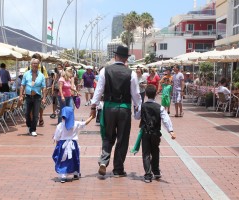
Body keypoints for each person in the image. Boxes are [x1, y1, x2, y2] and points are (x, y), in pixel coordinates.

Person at [90, 45, 142, 177]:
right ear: (126, 59)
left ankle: (103, 161)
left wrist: (93, 106)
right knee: (122, 139)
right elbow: (136, 95)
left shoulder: (104, 71)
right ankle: (118, 169)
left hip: (108, 107)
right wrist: (139, 108)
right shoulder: (132, 73)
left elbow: (99, 90)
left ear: (115, 56)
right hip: (124, 108)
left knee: (108, 136)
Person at [137, 85, 176, 183]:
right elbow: (166, 119)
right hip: (155, 133)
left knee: (146, 153)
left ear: (145, 94)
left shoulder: (143, 106)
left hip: (145, 133)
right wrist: (171, 131)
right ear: (156, 94)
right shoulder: (160, 107)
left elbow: (136, 117)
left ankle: (148, 175)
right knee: (155, 151)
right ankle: (156, 171)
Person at [52, 106, 95, 183]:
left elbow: (57, 138)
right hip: (73, 145)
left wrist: (57, 147)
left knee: (63, 160)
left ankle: (63, 175)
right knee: (75, 159)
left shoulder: (60, 125)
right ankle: (75, 173)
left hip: (63, 145)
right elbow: (84, 123)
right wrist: (91, 117)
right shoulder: (75, 124)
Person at [19, 58, 46, 137]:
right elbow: (22, 85)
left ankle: (33, 129)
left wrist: (44, 98)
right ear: (31, 64)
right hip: (28, 96)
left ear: (38, 65)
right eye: (33, 63)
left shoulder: (41, 75)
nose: (35, 65)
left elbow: (44, 87)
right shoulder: (26, 74)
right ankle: (29, 126)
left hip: (37, 97)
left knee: (35, 114)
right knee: (26, 113)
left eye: (36, 64)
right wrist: (21, 96)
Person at [26, 53, 49, 126]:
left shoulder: (42, 68)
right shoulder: (29, 68)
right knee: (31, 106)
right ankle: (33, 120)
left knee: (40, 106)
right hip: (30, 90)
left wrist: (45, 89)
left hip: (40, 91)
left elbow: (46, 79)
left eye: (38, 60)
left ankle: (41, 117)